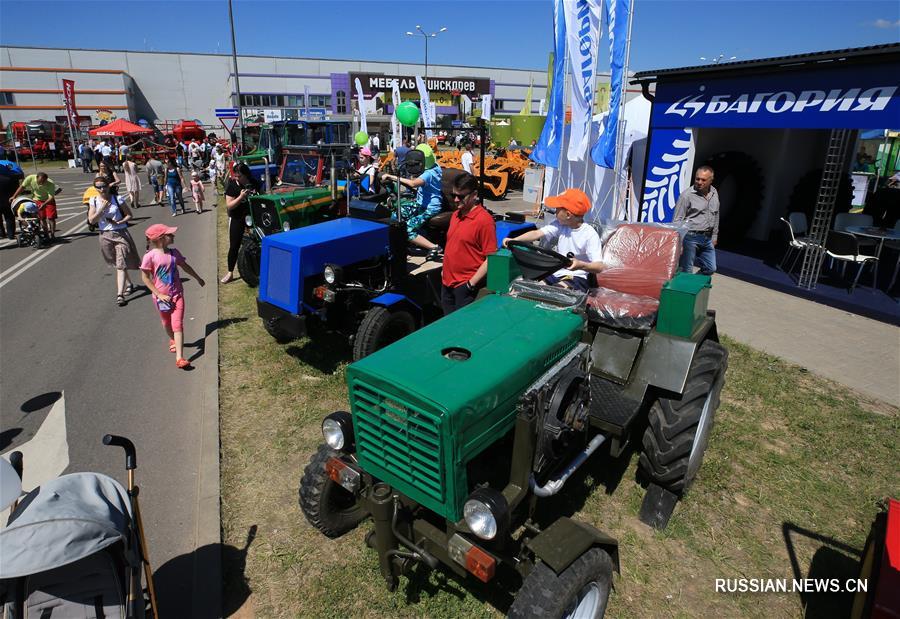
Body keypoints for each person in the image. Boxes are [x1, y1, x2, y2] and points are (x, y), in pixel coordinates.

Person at [502, 188, 604, 292]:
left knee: (555, 292)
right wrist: (514, 240)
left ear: (568, 215)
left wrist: (581, 265)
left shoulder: (590, 235)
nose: (555, 212)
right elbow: (537, 233)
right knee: (526, 289)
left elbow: (599, 266)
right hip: (556, 272)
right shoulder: (561, 224)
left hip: (577, 277)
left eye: (557, 209)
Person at [140, 223, 205, 369]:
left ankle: (180, 358)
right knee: (166, 323)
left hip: (177, 295)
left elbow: (185, 266)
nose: (173, 235)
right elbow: (145, 278)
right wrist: (159, 294)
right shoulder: (149, 257)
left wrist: (197, 278)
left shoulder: (174, 253)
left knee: (177, 324)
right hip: (161, 298)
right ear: (161, 239)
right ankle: (172, 340)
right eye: (170, 234)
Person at [441, 172, 497, 315]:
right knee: (448, 328)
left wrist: (470, 285)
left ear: (474, 195)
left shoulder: (484, 221)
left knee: (461, 330)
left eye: (460, 196)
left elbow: (491, 258)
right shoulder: (455, 215)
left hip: (464, 287)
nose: (455, 200)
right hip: (446, 283)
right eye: (453, 195)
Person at [380, 144, 444, 260]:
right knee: (396, 216)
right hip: (420, 203)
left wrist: (391, 176)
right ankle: (401, 244)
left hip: (429, 207)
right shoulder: (435, 166)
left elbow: (413, 184)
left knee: (407, 229)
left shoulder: (428, 174)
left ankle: (434, 247)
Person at [87, 178, 140, 306]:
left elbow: (129, 215)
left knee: (121, 264)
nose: (101, 189)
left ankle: (120, 295)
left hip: (120, 233)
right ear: (95, 188)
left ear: (108, 186)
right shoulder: (93, 200)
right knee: (117, 263)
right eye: (98, 187)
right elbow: (92, 221)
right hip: (104, 235)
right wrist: (102, 209)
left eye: (104, 186)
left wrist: (119, 222)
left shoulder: (117, 199)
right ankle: (129, 284)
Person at [673, 165, 719, 275]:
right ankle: (683, 289)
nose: (699, 182)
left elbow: (716, 214)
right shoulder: (686, 195)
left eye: (703, 180)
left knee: (710, 268)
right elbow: (677, 220)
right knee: (686, 271)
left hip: (707, 238)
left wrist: (714, 236)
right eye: (697, 178)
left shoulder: (714, 192)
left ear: (711, 180)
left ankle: (693, 284)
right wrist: (680, 243)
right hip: (690, 237)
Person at [222, 163, 259, 283]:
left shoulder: (253, 182)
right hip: (237, 217)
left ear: (246, 175)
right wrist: (241, 196)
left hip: (253, 217)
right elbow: (229, 205)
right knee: (234, 245)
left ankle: (257, 267)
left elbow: (262, 194)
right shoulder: (232, 186)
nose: (237, 178)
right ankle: (230, 272)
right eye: (236, 176)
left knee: (258, 241)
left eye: (240, 176)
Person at [10, 171, 60, 240]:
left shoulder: (50, 183)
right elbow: (22, 187)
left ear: (46, 179)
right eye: (40, 182)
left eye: (43, 182)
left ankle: (52, 235)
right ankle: (46, 235)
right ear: (36, 178)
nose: (41, 184)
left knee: (51, 218)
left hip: (49, 200)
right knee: (42, 218)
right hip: (37, 199)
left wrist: (44, 204)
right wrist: (14, 196)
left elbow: (51, 197)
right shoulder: (30, 178)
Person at [0, 160, 25, 240]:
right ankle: (11, 235)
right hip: (8, 201)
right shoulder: (9, 179)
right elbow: (16, 189)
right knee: (9, 218)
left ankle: (1, 233)